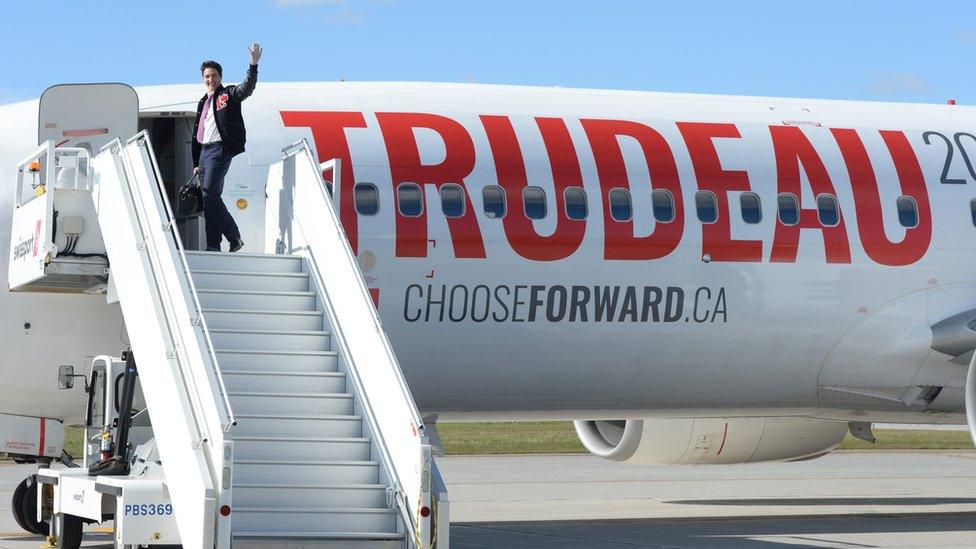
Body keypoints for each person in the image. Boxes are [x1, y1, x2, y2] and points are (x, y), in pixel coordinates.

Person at [191, 42, 262, 252]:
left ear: (220, 77)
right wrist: (196, 162)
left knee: (210, 194)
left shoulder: (227, 95)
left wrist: (253, 65)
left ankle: (234, 236)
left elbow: (246, 88)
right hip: (204, 152)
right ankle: (213, 245)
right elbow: (197, 133)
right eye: (206, 76)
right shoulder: (203, 101)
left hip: (219, 149)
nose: (210, 79)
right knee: (208, 198)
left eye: (213, 75)